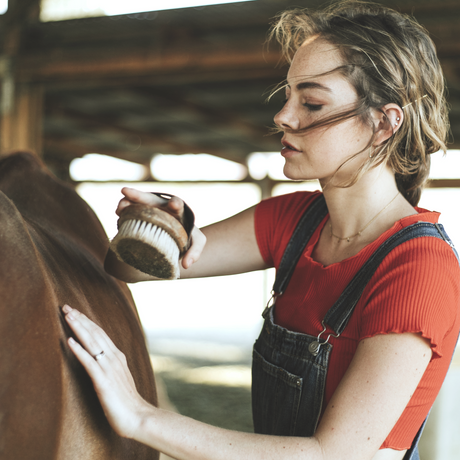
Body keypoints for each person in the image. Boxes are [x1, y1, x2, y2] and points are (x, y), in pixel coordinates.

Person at [63, 2, 460, 460]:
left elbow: (332, 455)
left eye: (312, 103)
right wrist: (161, 231)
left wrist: (142, 417)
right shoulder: (293, 221)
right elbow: (130, 271)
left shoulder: (418, 268)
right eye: (288, 96)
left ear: (385, 123)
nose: (284, 117)